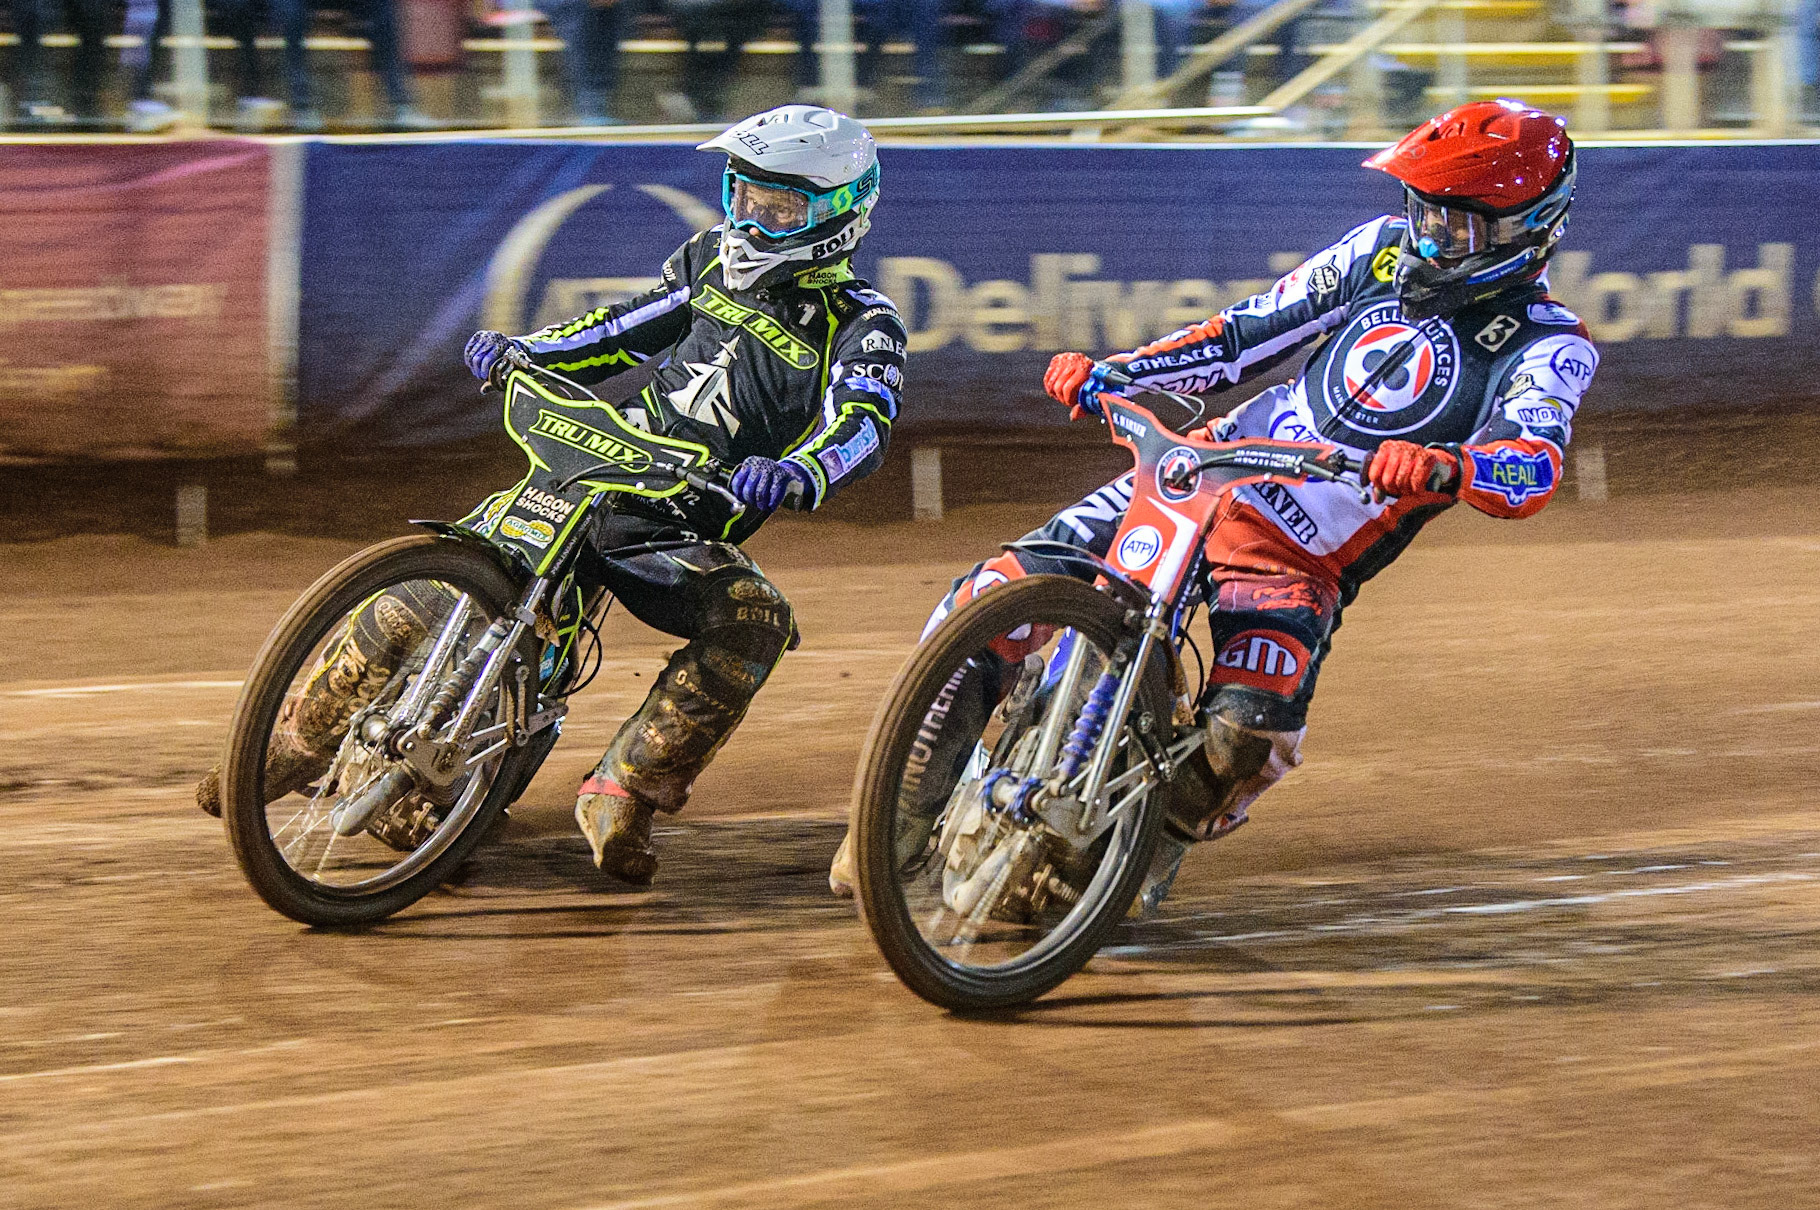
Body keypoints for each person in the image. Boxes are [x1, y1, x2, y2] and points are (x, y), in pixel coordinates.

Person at [826, 99, 1598, 908]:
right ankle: (895, 820)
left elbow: (1529, 466)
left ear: (1529, 228)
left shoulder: (1549, 344)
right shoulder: (1377, 254)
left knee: (1248, 742)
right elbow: (1243, 333)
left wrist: (1447, 468)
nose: (1431, 238)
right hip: (1203, 474)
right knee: (986, 600)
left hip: (1299, 554)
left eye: (1459, 226)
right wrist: (1121, 374)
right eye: (1423, 211)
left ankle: (1127, 859)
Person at [193, 106, 903, 895]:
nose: (751, 219)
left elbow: (862, 423)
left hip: (681, 514)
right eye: (743, 196)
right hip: (594, 462)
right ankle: (290, 744)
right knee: (434, 581)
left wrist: (801, 470)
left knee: (753, 618)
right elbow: (623, 330)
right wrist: (528, 351)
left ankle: (623, 790)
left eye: (779, 208)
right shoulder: (706, 260)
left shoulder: (863, 321)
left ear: (839, 214)